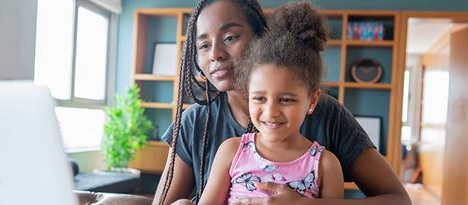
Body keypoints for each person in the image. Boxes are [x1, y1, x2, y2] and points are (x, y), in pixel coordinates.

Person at [153, 0, 411, 204]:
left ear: (260, 38)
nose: (216, 54)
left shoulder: (327, 117)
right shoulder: (196, 122)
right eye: (203, 45)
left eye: (230, 37)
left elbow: (399, 200)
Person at [198, 3, 344, 204]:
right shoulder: (231, 152)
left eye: (285, 100)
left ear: (312, 101)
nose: (271, 112)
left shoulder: (326, 165)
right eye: (259, 98)